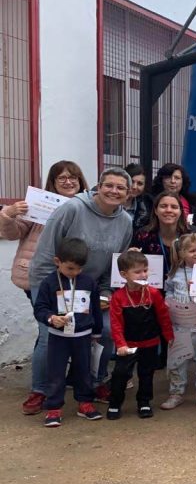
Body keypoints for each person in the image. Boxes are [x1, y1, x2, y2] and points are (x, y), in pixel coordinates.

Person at [29, 167, 134, 408]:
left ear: (128, 194)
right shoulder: (73, 209)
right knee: (50, 335)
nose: (114, 191)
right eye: (109, 185)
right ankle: (40, 390)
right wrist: (51, 289)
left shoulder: (125, 222)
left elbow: (115, 263)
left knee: (106, 331)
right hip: (53, 282)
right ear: (98, 186)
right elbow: (46, 251)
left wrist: (106, 292)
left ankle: (95, 382)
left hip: (92, 289)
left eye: (120, 188)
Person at [3, 160, 87, 411]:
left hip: (75, 278)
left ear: (80, 181)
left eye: (73, 177)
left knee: (78, 328)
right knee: (48, 332)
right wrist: (8, 214)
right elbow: (12, 233)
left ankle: (72, 380)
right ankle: (40, 389)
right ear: (53, 182)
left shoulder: (86, 207)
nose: (68, 182)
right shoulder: (40, 205)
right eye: (62, 178)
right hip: (40, 278)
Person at [33, 238, 104, 427]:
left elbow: (95, 308)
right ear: (57, 261)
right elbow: (40, 308)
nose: (75, 272)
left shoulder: (88, 282)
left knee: (84, 371)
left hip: (83, 336)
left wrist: (97, 332)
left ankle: (85, 403)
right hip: (59, 337)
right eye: (70, 268)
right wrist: (51, 318)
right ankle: (54, 407)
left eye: (79, 269)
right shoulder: (49, 283)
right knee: (56, 373)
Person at [106, 251, 174, 421]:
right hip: (127, 345)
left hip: (150, 342)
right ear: (124, 274)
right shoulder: (118, 297)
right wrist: (120, 344)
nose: (143, 275)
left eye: (145, 270)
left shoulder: (153, 293)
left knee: (147, 374)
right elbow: (116, 324)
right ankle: (115, 403)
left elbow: (163, 316)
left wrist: (168, 336)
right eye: (137, 272)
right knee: (120, 374)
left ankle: (144, 402)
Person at [161, 233, 196, 410]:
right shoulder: (174, 272)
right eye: (192, 251)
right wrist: (168, 301)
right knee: (177, 359)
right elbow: (169, 290)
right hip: (179, 325)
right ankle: (176, 393)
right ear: (182, 253)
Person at [132, 192, 193, 278]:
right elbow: (131, 265)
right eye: (163, 206)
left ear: (180, 212)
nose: (168, 210)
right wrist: (131, 256)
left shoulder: (192, 234)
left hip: (185, 285)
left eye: (174, 207)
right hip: (149, 284)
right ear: (156, 211)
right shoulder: (142, 235)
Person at [123, 163, 154, 231]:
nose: (134, 187)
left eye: (140, 184)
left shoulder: (147, 205)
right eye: (131, 182)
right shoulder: (111, 202)